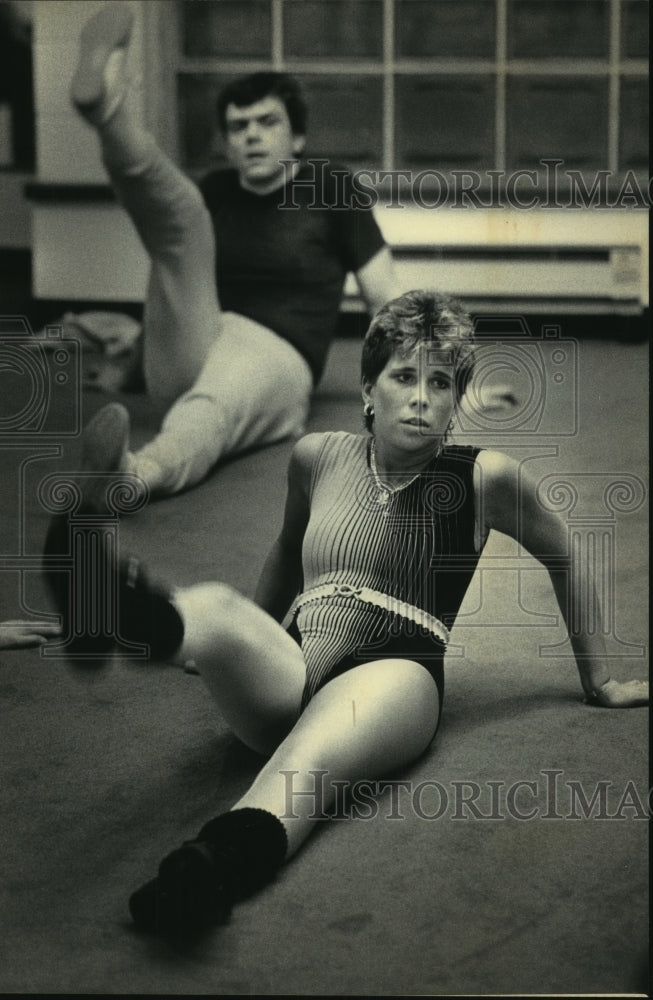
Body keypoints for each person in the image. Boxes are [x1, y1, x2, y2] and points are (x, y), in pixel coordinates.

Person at [42, 289, 648, 939]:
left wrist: (596, 680)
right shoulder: (316, 457)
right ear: (367, 389)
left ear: (452, 404)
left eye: (439, 383)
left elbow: (562, 554)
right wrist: (235, 644)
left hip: (395, 666)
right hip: (300, 650)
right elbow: (282, 552)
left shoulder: (483, 477)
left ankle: (204, 872)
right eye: (403, 376)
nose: (420, 396)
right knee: (218, 603)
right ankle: (117, 612)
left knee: (302, 767)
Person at [70, 2, 395, 501]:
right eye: (239, 127)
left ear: (298, 136)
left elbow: (385, 297)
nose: (252, 135)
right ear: (227, 142)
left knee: (213, 403)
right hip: (202, 339)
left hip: (276, 355)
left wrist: (430, 373)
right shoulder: (217, 190)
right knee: (178, 226)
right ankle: (107, 109)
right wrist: (133, 366)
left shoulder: (330, 186)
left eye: (267, 122)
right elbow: (180, 286)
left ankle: (135, 475)